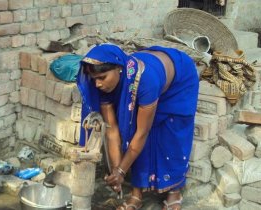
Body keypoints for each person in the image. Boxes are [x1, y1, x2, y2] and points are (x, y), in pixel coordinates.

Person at [77, 43, 199, 210]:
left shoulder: (145, 81)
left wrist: (121, 171)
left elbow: (142, 133)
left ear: (119, 69)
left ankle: (174, 191)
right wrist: (116, 171)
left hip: (179, 80)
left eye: (102, 77)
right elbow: (112, 131)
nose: (97, 84)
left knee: (171, 133)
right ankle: (137, 193)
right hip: (151, 76)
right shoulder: (102, 87)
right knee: (130, 127)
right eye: (94, 79)